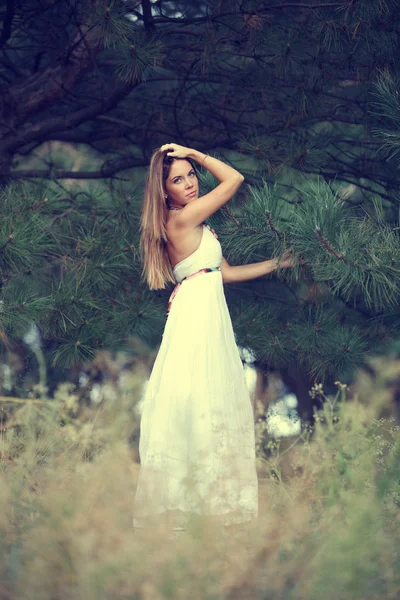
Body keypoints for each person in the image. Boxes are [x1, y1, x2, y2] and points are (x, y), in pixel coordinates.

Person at [133, 143, 295, 532]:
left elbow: (228, 273)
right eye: (178, 179)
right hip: (194, 316)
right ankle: (187, 506)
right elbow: (235, 179)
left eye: (191, 174)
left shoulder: (197, 224)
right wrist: (196, 153)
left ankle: (205, 504)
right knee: (195, 399)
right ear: (164, 190)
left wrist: (281, 262)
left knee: (212, 399)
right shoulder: (181, 220)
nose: (189, 183)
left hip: (206, 311)